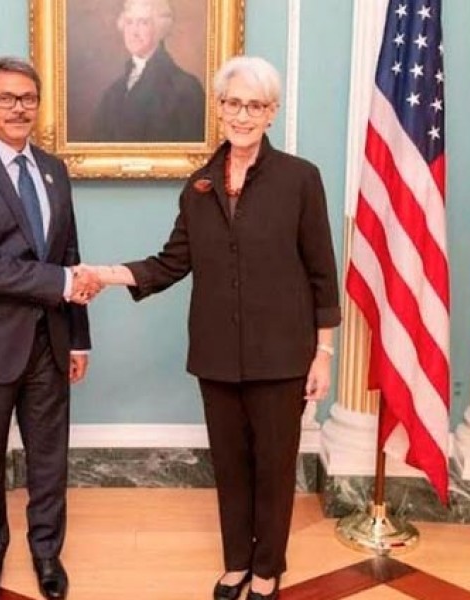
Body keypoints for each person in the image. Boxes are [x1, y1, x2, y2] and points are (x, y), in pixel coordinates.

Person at [87, 56, 340, 600]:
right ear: (219, 109)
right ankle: (237, 562)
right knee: (230, 465)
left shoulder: (300, 178)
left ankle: (267, 568)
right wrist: (107, 274)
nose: (242, 115)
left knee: (274, 466)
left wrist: (323, 353)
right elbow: (171, 262)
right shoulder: (199, 185)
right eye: (233, 103)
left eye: (255, 105)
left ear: (271, 112)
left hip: (282, 355)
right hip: (216, 354)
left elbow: (322, 271)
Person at [0, 56, 101, 600]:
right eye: (5, 98)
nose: (19, 108)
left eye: (28, 98)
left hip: (50, 341)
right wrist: (59, 282)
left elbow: (69, 254)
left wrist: (79, 338)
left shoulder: (53, 169)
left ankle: (47, 551)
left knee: (49, 457)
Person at [89, 0, 205, 142]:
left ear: (160, 30)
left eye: (143, 23)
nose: (134, 32)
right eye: (129, 22)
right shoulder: (113, 92)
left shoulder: (186, 88)